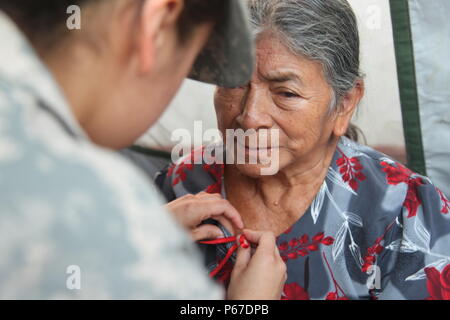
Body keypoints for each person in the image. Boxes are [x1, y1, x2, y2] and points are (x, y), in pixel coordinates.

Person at [156, 0, 450, 300]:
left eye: (285, 93)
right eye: (234, 84)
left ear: (345, 103)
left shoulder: (405, 213)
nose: (250, 116)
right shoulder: (179, 187)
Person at [0, 0, 286, 299]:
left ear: (341, 108)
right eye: (188, 64)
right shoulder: (111, 205)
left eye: (285, 93)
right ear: (157, 23)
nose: (250, 117)